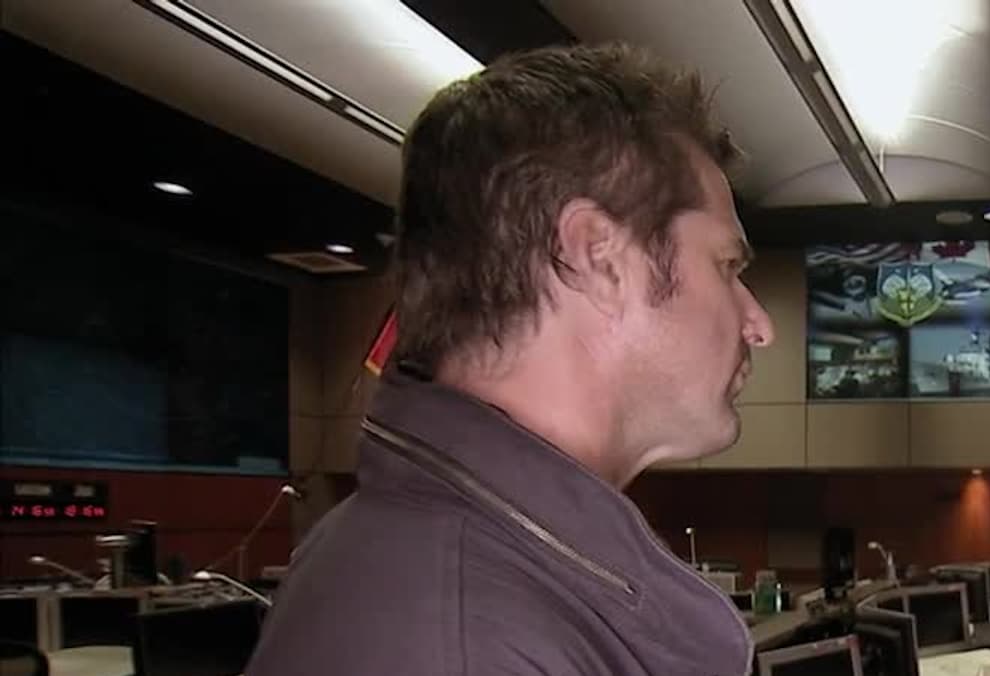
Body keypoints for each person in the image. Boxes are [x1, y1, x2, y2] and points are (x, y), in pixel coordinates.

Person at [248, 43, 774, 675]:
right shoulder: (469, 644)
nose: (759, 325)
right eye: (727, 265)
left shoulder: (450, 567)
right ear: (598, 258)